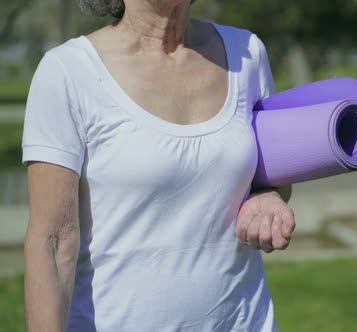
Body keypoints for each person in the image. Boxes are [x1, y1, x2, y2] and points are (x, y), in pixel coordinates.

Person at [21, 0, 296, 331]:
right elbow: (53, 241)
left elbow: (271, 177)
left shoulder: (247, 52)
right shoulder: (68, 72)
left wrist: (268, 195)